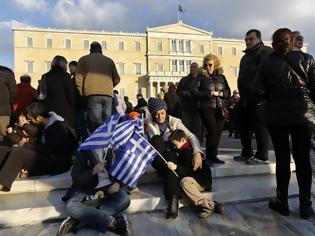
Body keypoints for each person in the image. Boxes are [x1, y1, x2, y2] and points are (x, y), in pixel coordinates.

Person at [255, 28, 315, 219]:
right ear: (292, 41)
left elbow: (258, 92)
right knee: (303, 159)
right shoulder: (308, 60)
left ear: (273, 42)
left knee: (282, 159)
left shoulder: (266, 63)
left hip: (277, 115)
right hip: (304, 115)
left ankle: (283, 202)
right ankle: (305, 206)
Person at [144, 97, 205, 219]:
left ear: (166, 111)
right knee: (156, 140)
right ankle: (174, 195)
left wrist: (197, 153)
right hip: (159, 160)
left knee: (171, 154)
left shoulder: (175, 121)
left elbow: (191, 137)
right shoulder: (147, 123)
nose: (160, 117)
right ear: (152, 114)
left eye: (162, 113)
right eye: (156, 114)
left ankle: (173, 199)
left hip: (172, 159)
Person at [0, 103, 74, 191]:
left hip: (55, 162)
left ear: (39, 118)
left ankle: (2, 183)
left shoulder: (57, 127)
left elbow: (46, 150)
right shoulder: (47, 122)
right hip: (45, 155)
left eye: (30, 119)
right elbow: (40, 140)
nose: (29, 121)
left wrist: (24, 145)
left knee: (18, 153)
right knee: (3, 149)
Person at [57, 149, 131, 236]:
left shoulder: (113, 148)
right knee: (71, 205)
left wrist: (118, 183)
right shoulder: (84, 151)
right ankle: (113, 222)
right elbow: (76, 180)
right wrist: (92, 171)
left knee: (125, 200)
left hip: (107, 189)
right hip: (87, 191)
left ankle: (78, 220)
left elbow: (122, 169)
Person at [234, 29, 272, 165]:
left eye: (251, 39)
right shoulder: (245, 57)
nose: (248, 42)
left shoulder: (266, 52)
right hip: (245, 97)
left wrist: (263, 94)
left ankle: (262, 156)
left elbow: (270, 74)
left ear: (259, 39)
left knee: (259, 126)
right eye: (246, 40)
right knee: (242, 123)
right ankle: (246, 152)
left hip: (259, 97)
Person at [168, 129, 222, 218]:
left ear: (183, 140)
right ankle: (213, 205)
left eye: (175, 144)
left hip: (201, 181)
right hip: (199, 179)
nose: (174, 147)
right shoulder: (184, 151)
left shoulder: (187, 152)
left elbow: (188, 170)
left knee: (184, 182)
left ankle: (205, 205)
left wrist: (176, 167)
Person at [192, 54, 231, 166]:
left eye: (210, 65)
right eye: (206, 65)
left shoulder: (221, 77)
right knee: (212, 132)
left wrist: (222, 94)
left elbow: (228, 91)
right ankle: (209, 157)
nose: (208, 67)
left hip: (220, 107)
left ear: (215, 65)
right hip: (206, 107)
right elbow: (193, 92)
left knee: (218, 133)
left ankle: (214, 156)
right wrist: (209, 94)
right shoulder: (200, 77)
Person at [76, 42, 120, 132]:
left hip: (92, 94)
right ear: (101, 50)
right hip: (108, 95)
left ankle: (98, 144)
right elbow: (117, 79)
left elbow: (78, 80)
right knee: (107, 124)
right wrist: (109, 86)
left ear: (90, 50)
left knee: (96, 125)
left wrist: (82, 93)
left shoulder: (83, 60)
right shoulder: (109, 61)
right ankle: (107, 144)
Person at [40, 55, 76, 129]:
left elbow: (42, 95)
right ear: (64, 65)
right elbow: (71, 94)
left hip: (49, 110)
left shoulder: (45, 76)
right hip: (65, 111)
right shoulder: (66, 76)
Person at [177, 62, 203, 141]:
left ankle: (197, 146)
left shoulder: (201, 79)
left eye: (195, 67)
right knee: (186, 128)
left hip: (197, 108)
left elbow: (204, 92)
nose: (193, 69)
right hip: (186, 108)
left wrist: (196, 94)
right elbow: (177, 92)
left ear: (198, 69)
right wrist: (183, 93)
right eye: (192, 67)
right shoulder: (184, 80)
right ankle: (187, 145)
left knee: (197, 128)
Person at [0, 66, 16, 142]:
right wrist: (9, 100)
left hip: (4, 109)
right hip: (4, 110)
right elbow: (14, 92)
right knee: (4, 136)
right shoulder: (8, 74)